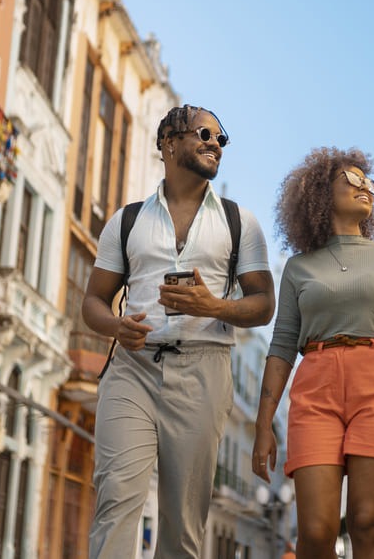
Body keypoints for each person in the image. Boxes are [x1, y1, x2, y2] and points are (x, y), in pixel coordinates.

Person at [82, 105, 275, 558]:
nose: (215, 143)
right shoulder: (125, 220)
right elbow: (92, 301)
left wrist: (214, 306)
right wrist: (116, 326)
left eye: (221, 138)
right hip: (132, 367)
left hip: (203, 372)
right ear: (169, 142)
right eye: (204, 133)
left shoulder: (240, 223)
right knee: (115, 500)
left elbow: (265, 303)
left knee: (183, 526)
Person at [253, 147, 374, 559]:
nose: (364, 187)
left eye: (368, 182)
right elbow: (281, 347)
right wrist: (264, 425)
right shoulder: (299, 267)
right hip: (316, 388)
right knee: (315, 532)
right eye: (352, 180)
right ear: (319, 193)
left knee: (368, 523)